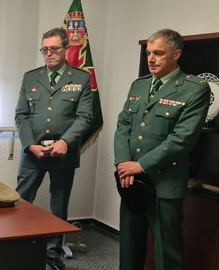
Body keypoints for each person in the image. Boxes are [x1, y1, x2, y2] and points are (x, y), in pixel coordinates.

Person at [114, 29, 210, 270]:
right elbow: (123, 126)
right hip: (131, 181)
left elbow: (183, 138)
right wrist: (123, 165)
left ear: (176, 54)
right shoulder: (139, 85)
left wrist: (141, 165)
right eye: (148, 53)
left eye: (158, 53)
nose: (151, 59)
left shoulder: (194, 88)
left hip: (165, 184)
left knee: (167, 252)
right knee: (129, 246)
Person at [15, 27, 93, 270]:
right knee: (20, 201)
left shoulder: (80, 78)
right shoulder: (31, 77)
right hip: (33, 153)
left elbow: (85, 117)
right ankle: (17, 249)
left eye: (54, 49)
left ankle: (53, 255)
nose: (48, 54)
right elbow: (21, 115)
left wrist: (65, 141)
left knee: (59, 206)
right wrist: (29, 145)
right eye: (45, 49)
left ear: (66, 49)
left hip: (63, 154)